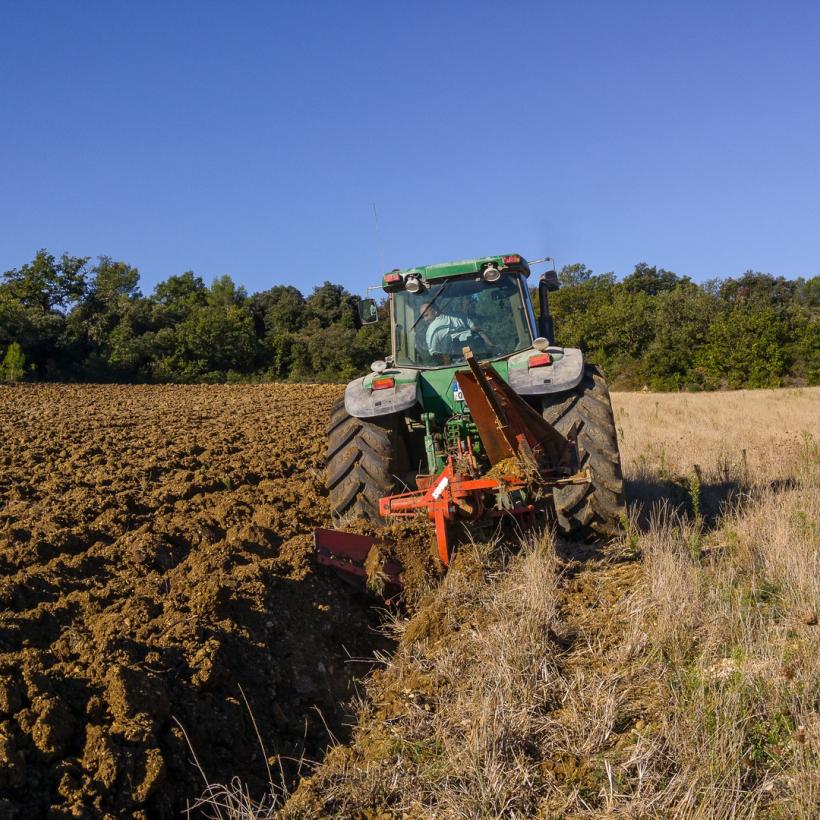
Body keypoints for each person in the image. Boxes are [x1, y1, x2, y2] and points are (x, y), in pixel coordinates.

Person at [419, 299, 494, 363]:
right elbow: (479, 331)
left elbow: (434, 355)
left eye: (426, 315)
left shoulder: (432, 329)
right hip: (480, 360)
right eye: (423, 317)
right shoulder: (458, 316)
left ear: (435, 311)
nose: (425, 320)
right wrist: (492, 346)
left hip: (454, 365)